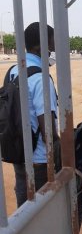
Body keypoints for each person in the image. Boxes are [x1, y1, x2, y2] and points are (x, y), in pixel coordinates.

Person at [10, 22, 59, 207]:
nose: (54, 49)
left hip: (18, 151)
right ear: (42, 45)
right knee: (40, 209)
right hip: (39, 158)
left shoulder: (14, 70)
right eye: (53, 44)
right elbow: (47, 130)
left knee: (24, 206)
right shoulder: (40, 77)